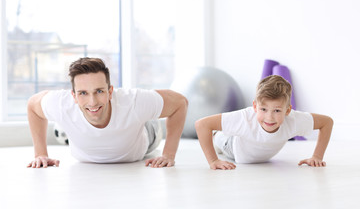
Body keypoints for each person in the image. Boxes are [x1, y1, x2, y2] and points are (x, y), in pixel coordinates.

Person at [27, 57, 188, 168]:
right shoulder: (62, 104)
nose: (93, 101)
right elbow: (33, 106)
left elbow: (180, 102)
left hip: (146, 134)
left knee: (143, 114)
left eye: (99, 91)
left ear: (110, 91)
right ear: (73, 96)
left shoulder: (134, 101)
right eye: (83, 93)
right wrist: (40, 154)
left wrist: (168, 154)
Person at [195, 75, 333, 170]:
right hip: (232, 146)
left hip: (255, 148)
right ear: (255, 107)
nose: (269, 117)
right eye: (263, 109)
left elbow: (327, 122)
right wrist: (213, 161)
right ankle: (217, 136)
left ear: (287, 110)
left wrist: (317, 156)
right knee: (221, 138)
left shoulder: (294, 120)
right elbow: (202, 125)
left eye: (277, 111)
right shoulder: (245, 118)